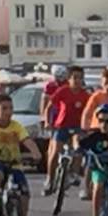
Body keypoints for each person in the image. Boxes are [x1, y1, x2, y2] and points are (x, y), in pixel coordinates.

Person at [44, 65, 91, 197]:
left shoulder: (85, 95)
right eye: (74, 78)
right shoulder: (63, 91)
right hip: (62, 126)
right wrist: (47, 122)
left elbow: (90, 112)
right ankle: (50, 179)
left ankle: (74, 173)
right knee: (55, 151)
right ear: (69, 79)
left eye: (80, 78)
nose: (77, 81)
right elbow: (49, 106)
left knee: (78, 146)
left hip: (77, 127)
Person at [40, 64, 68, 193]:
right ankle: (50, 178)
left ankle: (70, 172)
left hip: (66, 115)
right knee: (53, 149)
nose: (59, 81)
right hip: (53, 115)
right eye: (58, 78)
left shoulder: (68, 84)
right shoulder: (49, 86)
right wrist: (44, 119)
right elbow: (44, 103)